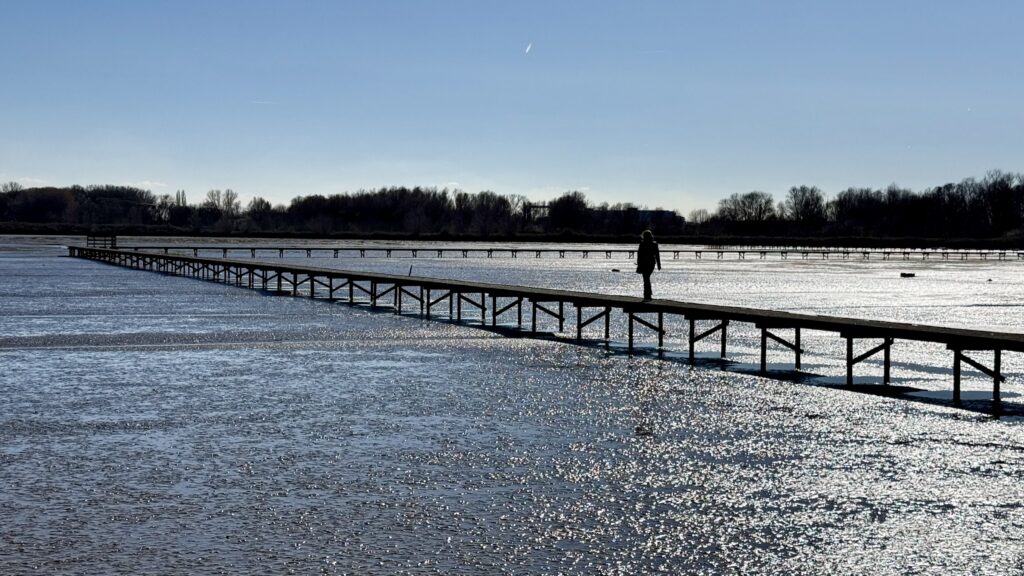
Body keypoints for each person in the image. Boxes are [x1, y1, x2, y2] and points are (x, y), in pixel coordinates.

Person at [635, 230, 661, 300]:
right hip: (651, 263)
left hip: (644, 263)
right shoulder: (654, 244)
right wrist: (659, 265)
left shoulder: (642, 244)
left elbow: (639, 255)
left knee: (646, 279)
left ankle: (647, 295)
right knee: (647, 278)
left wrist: (638, 264)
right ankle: (648, 295)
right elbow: (657, 255)